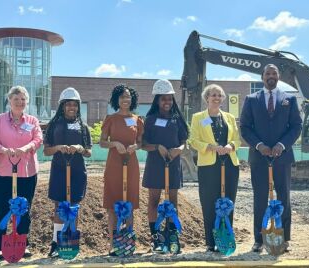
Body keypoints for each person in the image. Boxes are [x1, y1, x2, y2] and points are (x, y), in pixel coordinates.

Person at [239, 64, 302, 253]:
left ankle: (283, 238)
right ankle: (259, 239)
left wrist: (282, 145)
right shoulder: (251, 100)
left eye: (274, 73)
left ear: (279, 76)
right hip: (259, 158)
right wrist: (259, 146)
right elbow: (245, 127)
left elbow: (296, 126)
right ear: (262, 77)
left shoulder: (289, 99)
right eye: (268, 73)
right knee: (260, 198)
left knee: (283, 197)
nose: (271, 76)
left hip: (282, 157)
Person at [0, 86, 43, 259]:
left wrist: (26, 148)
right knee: (2, 208)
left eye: (23, 99)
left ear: (27, 102)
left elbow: (38, 138)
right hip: (4, 171)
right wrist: (3, 150)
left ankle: (22, 243)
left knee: (24, 208)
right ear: (9, 101)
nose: (19, 102)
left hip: (27, 172)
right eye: (16, 99)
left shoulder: (32, 121)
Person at [188, 84, 241, 252]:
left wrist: (230, 146)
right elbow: (193, 140)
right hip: (209, 165)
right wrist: (210, 147)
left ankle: (225, 239)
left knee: (228, 202)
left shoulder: (230, 118)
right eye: (213, 95)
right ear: (207, 98)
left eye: (219, 95)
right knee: (209, 202)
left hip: (230, 164)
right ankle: (211, 241)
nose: (216, 98)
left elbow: (237, 140)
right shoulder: (198, 117)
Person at [44, 87, 92, 257]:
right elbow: (46, 151)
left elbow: (89, 151)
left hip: (78, 171)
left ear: (78, 106)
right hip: (59, 170)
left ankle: (71, 241)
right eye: (68, 104)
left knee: (74, 207)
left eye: (75, 104)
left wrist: (80, 148)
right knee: (59, 206)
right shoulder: (54, 125)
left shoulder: (83, 126)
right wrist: (58, 148)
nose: (72, 107)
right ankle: (56, 243)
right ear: (62, 106)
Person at [141, 79, 189, 252]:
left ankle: (171, 235)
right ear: (157, 101)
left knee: (173, 201)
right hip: (155, 164)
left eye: (169, 99)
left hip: (173, 164)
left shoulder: (178, 119)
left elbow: (184, 142)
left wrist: (179, 150)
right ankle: (156, 238)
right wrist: (157, 147)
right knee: (153, 201)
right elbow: (143, 144)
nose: (167, 102)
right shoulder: (150, 119)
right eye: (163, 99)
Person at [99, 84, 144, 255]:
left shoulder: (137, 119)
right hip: (114, 164)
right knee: (112, 204)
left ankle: (128, 242)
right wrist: (115, 143)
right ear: (116, 99)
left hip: (131, 163)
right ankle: (112, 243)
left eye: (128, 97)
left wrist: (135, 147)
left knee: (129, 204)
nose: (126, 100)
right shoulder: (110, 119)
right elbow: (102, 142)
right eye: (122, 97)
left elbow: (140, 142)